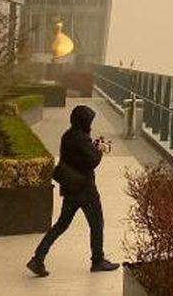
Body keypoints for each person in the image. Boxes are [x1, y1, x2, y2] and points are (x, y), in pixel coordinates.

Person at [27, 105, 120, 276]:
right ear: (84, 122)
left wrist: (93, 146)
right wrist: (100, 150)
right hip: (85, 189)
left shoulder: (68, 135)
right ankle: (97, 261)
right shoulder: (82, 139)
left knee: (61, 225)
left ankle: (38, 258)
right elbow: (92, 161)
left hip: (70, 188)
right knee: (96, 224)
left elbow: (77, 156)